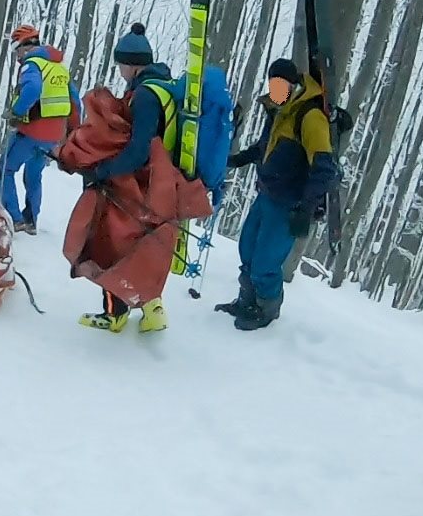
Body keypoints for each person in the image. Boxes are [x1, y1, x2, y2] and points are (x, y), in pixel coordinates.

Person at [57, 23, 208, 333]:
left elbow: (140, 149)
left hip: (143, 184)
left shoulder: (145, 96)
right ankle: (153, 313)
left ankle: (114, 314)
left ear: (130, 63)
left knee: (113, 244)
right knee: (148, 246)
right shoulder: (165, 87)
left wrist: (103, 171)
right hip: (164, 184)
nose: (121, 71)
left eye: (121, 64)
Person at [215, 58, 339, 331]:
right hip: (267, 194)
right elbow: (264, 148)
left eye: (281, 84)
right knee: (247, 248)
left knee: (266, 262)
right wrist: (237, 159)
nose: (275, 89)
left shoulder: (310, 116)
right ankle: (245, 301)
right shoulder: (280, 112)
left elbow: (324, 168)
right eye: (272, 84)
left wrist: (305, 209)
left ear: (293, 86)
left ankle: (266, 310)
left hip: (289, 203)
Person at [0, 24, 82, 234]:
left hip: (32, 131)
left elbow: (33, 89)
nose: (18, 57)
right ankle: (31, 220)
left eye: (17, 50)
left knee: (5, 170)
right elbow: (75, 102)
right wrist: (71, 131)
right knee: (34, 175)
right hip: (53, 135)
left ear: (24, 47)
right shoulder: (59, 68)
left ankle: (14, 218)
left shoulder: (31, 64)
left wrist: (16, 111)